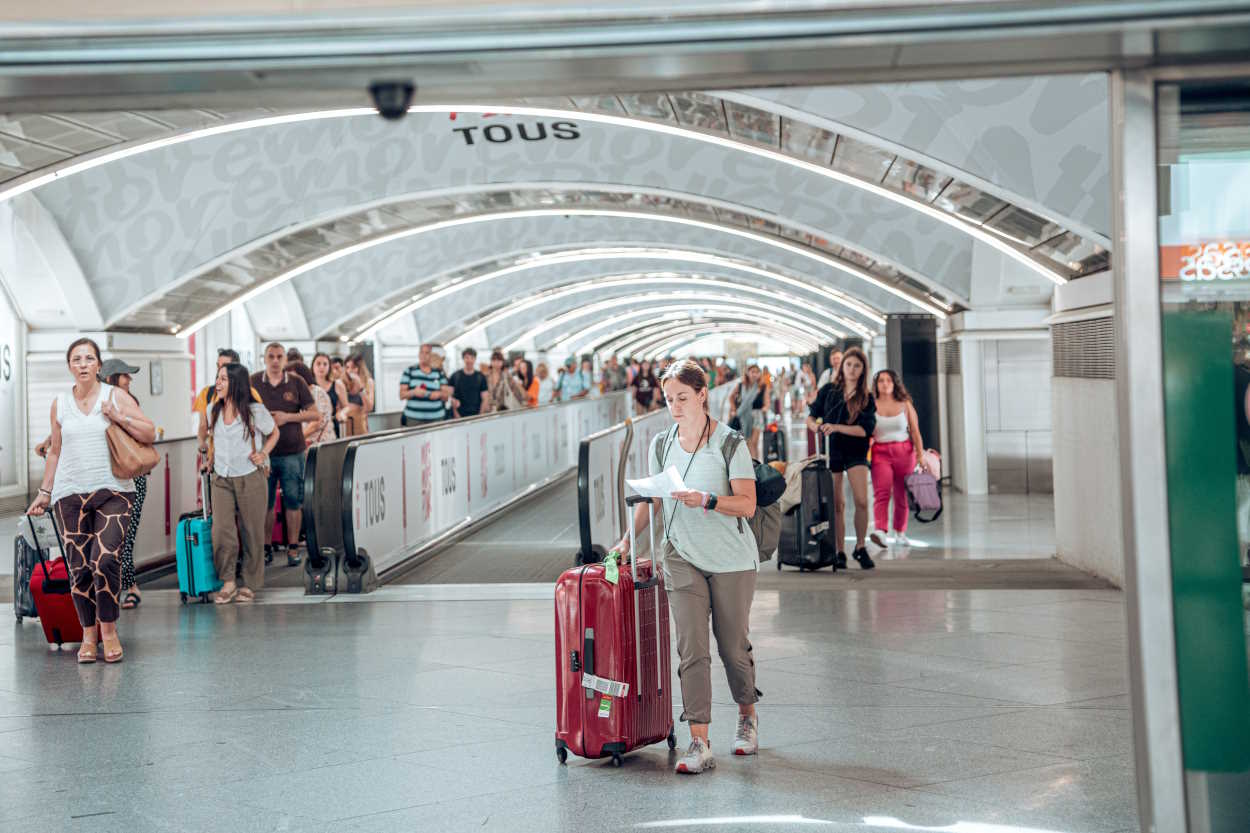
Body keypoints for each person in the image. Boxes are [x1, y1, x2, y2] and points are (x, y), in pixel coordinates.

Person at [614, 359, 761, 774]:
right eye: (668, 399)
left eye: (682, 398)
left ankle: (747, 716)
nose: (675, 406)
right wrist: (627, 540)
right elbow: (656, 499)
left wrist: (708, 500)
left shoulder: (730, 443)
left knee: (732, 647)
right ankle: (699, 742)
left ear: (702, 395)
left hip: (730, 559)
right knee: (691, 647)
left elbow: (746, 505)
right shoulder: (661, 444)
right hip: (680, 554)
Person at [26, 338, 155, 664]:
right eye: (77, 359)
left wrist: (117, 416)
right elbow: (54, 451)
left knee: (106, 560)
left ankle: (108, 630)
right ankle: (88, 633)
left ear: (99, 365)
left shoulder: (116, 396)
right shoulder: (59, 403)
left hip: (113, 492)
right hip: (69, 495)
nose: (83, 364)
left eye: (89, 359)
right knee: (80, 568)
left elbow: (149, 433)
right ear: (70, 366)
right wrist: (44, 492)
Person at [206, 363, 279, 604]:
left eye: (224, 379)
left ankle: (250, 583)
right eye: (217, 378)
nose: (218, 383)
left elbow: (274, 432)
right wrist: (210, 456)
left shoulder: (255, 411)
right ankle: (228, 580)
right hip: (221, 477)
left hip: (250, 476)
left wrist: (264, 453)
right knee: (222, 531)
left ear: (236, 383)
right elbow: (211, 438)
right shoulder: (212, 410)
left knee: (252, 531)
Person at [807, 346, 876, 570]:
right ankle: (839, 551)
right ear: (842, 366)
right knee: (837, 503)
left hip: (856, 450)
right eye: (849, 365)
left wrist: (836, 426)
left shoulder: (866, 397)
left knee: (862, 501)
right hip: (832, 450)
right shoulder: (829, 391)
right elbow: (811, 417)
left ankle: (860, 546)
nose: (852, 369)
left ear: (863, 369)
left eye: (857, 366)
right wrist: (816, 428)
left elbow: (865, 430)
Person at [250, 342, 319, 567]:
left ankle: (292, 548)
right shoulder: (253, 382)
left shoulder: (296, 382)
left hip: (292, 452)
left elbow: (314, 414)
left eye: (280, 356)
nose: (276, 360)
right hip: (264, 453)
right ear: (265, 358)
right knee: (265, 503)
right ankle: (266, 547)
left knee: (292, 501)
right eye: (271, 356)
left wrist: (286, 418)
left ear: (284, 360)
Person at [100, 359, 147, 611]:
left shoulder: (130, 403)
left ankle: (131, 587)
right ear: (110, 380)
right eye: (124, 377)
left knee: (125, 535)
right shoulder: (97, 404)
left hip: (132, 478)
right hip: (108, 477)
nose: (129, 381)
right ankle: (117, 588)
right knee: (113, 538)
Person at [869, 369, 925, 551]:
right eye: (881, 381)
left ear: (894, 384)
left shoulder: (905, 404)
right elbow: (867, 431)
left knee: (901, 494)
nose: (885, 384)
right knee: (882, 492)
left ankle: (900, 532)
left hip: (904, 452)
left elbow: (915, 430)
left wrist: (920, 455)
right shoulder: (871, 405)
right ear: (876, 385)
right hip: (880, 452)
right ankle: (880, 531)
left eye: (889, 381)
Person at [195, 348, 261, 459]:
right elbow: (203, 426)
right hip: (217, 459)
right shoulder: (207, 393)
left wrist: (263, 457)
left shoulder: (251, 394)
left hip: (245, 459)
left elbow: (258, 429)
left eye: (225, 366)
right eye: (218, 365)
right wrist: (201, 442)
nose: (220, 370)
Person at [400, 343, 452, 426]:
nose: (423, 355)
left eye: (427, 353)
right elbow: (401, 395)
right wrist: (413, 392)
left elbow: (446, 396)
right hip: (413, 420)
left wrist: (438, 394)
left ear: (431, 355)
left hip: (436, 419)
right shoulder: (409, 371)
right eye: (421, 352)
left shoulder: (439, 372)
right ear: (418, 354)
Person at [729, 365, 768, 460]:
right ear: (747, 373)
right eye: (752, 371)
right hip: (743, 416)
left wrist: (764, 408)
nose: (754, 374)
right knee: (746, 443)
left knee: (754, 442)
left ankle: (756, 466)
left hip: (757, 416)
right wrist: (734, 410)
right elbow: (731, 397)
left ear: (759, 374)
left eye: (757, 372)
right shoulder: (741, 385)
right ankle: (749, 465)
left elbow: (767, 402)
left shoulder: (762, 386)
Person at [289, 361, 333, 445]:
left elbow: (316, 423)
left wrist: (296, 441)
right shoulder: (294, 395)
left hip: (320, 445)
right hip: (303, 444)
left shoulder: (318, 393)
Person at [310, 352, 347, 439]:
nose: (321, 367)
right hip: (313, 430)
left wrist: (341, 412)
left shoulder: (338, 384)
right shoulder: (308, 386)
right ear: (313, 366)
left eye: (325, 364)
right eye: (318, 364)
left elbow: (346, 406)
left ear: (329, 367)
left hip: (332, 427)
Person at [449, 347, 490, 418]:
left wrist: (480, 415)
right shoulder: (455, 376)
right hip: (459, 416)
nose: (469, 360)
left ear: (475, 359)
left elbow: (485, 398)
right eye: (467, 357)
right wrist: (456, 414)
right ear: (463, 359)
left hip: (476, 415)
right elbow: (450, 397)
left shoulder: (480, 377)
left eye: (472, 358)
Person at [340, 353, 376, 432]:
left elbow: (369, 407)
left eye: (353, 367)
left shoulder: (368, 382)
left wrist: (360, 388)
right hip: (345, 426)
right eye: (347, 367)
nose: (350, 371)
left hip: (361, 426)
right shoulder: (342, 382)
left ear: (360, 368)